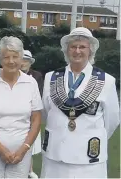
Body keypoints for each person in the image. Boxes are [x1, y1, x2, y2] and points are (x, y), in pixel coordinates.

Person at [41, 27, 120, 178]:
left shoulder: (106, 81)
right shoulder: (51, 77)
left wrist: (87, 136)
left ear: (90, 51)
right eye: (73, 47)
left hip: (89, 159)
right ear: (66, 50)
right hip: (55, 155)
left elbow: (112, 120)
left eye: (82, 47)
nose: (77, 51)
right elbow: (46, 112)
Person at [0, 36, 42, 178]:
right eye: (6, 57)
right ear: (0, 59)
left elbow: (36, 120)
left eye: (15, 57)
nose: (11, 61)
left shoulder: (31, 83)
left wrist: (24, 149)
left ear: (21, 58)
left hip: (21, 153)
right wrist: (1, 150)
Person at [20, 49, 43, 178]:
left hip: (32, 113)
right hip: (19, 114)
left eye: (26, 61)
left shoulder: (37, 76)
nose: (23, 63)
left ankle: (29, 169)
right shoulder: (13, 74)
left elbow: (38, 95)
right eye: (22, 60)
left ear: (30, 63)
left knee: (30, 143)